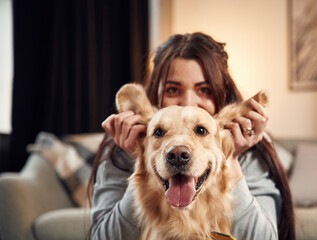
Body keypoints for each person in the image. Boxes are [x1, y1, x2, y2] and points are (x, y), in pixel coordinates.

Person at [89, 32, 295, 240]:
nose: (187, 102)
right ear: (155, 94)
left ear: (221, 94)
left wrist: (228, 159)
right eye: (172, 89)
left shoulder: (251, 151)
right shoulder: (120, 149)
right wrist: (143, 160)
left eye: (204, 90)